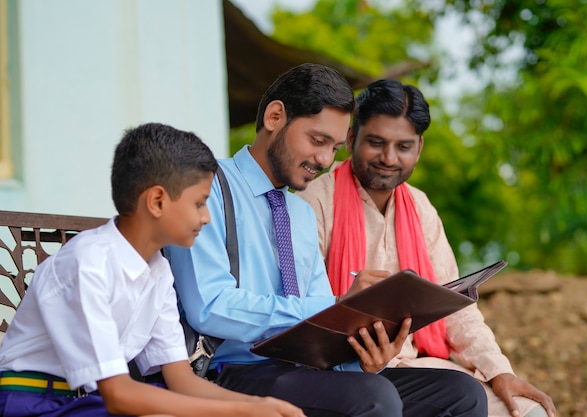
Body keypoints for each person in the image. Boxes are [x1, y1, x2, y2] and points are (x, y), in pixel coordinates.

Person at [166, 63, 488, 417]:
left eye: (334, 148)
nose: (323, 160)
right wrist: (331, 306)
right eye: (317, 141)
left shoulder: (300, 213)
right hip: (233, 373)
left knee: (461, 393)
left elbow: (321, 337)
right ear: (275, 116)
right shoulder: (206, 186)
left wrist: (364, 355)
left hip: (305, 372)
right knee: (374, 398)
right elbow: (209, 307)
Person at [0, 123, 304, 417]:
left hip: (89, 403)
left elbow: (182, 382)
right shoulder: (88, 264)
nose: (207, 217)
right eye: (200, 203)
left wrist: (260, 406)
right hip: (34, 401)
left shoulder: (157, 271)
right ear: (157, 200)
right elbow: (119, 395)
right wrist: (243, 411)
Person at [297, 79, 558, 417]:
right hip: (345, 371)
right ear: (351, 139)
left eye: (403, 147)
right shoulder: (314, 202)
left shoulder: (420, 207)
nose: (388, 158)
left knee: (528, 412)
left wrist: (499, 371)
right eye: (376, 143)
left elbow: (455, 307)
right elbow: (301, 308)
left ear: (418, 149)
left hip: (421, 365)